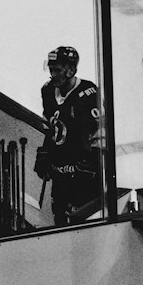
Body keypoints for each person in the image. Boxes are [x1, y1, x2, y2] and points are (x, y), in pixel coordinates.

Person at [34, 46, 104, 228]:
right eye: (51, 69)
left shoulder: (88, 94)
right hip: (60, 175)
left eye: (57, 70)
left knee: (84, 226)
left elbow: (100, 134)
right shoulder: (48, 90)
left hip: (83, 177)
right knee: (60, 223)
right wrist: (45, 152)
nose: (52, 74)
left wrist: (92, 161)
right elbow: (52, 127)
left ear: (71, 70)